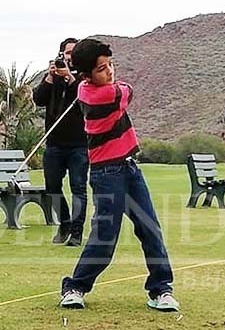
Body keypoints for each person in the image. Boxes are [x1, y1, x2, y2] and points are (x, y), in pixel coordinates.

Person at [59, 39, 178, 312]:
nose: (110, 72)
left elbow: (121, 88)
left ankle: (161, 290)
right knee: (105, 237)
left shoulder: (96, 87)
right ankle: (75, 287)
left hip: (128, 168)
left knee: (150, 229)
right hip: (106, 174)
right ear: (86, 75)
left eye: (111, 65)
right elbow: (128, 91)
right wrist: (115, 84)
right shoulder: (95, 95)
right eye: (102, 68)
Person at [32, 37, 88, 246]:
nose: (69, 57)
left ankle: (76, 232)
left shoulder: (85, 77)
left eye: (74, 53)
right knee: (52, 187)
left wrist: (71, 79)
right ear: (61, 54)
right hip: (54, 143)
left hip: (79, 144)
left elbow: (84, 97)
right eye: (67, 53)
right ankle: (64, 223)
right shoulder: (54, 76)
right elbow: (38, 99)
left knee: (78, 187)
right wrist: (50, 76)